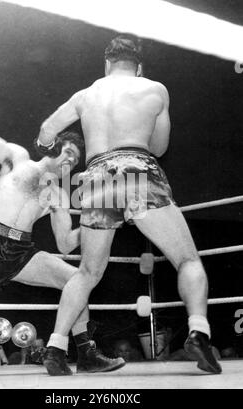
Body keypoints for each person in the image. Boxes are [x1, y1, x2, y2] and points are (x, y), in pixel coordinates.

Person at [37, 36, 222, 375]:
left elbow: (47, 130)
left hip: (95, 177)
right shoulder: (154, 89)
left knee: (88, 272)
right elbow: (160, 146)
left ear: (107, 63)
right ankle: (198, 331)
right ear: (138, 66)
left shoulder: (85, 95)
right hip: (137, 168)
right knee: (187, 259)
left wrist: (45, 145)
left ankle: (55, 347)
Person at [0, 67, 124, 375]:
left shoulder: (56, 195)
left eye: (74, 160)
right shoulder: (18, 157)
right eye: (67, 153)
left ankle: (85, 352)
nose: (69, 161)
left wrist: (102, 220)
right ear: (54, 147)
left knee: (75, 280)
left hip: (21, 253)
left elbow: (66, 242)